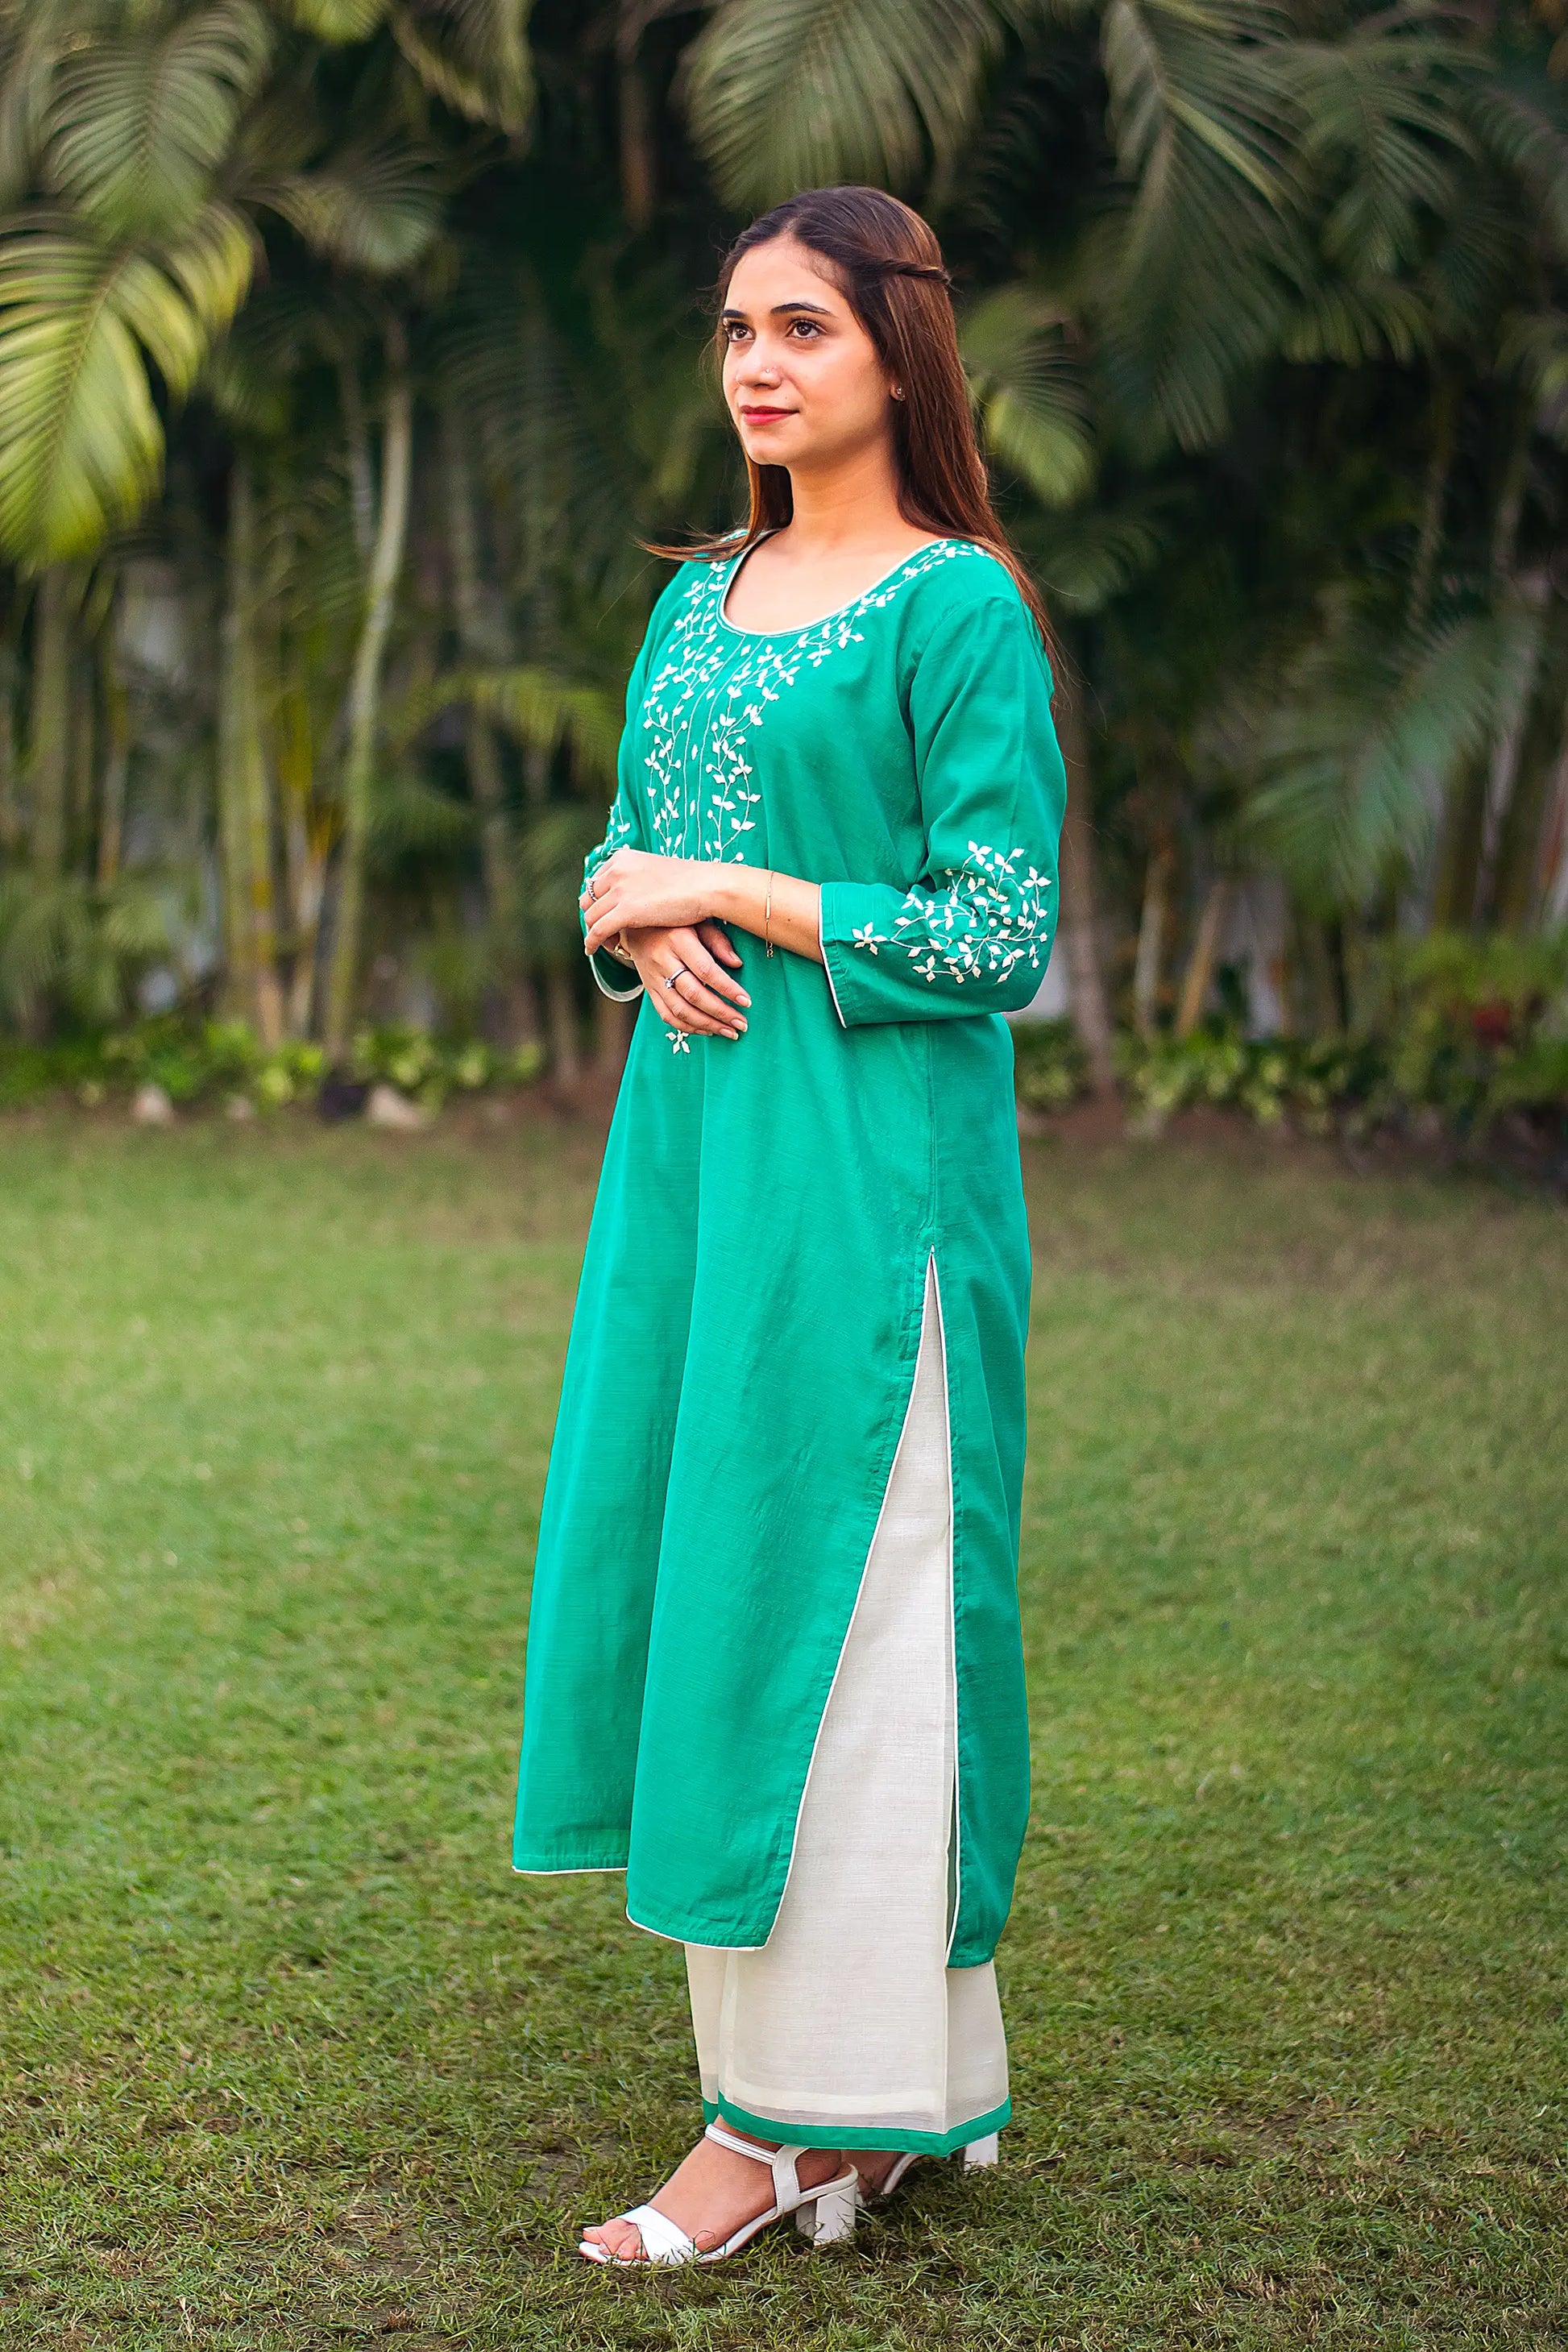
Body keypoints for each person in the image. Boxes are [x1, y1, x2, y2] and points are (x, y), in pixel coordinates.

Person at [511, 183, 1067, 2267]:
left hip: (873, 1189)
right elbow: (631, 852)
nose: (753, 362)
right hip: (695, 1165)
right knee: (720, 1580)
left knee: (859, 1606)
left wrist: (720, 901)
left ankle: (772, 2132)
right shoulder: (697, 595)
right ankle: (875, 2104)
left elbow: (999, 926)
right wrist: (632, 931)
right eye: (737, 326)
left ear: (896, 352)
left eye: (803, 328)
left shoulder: (956, 610)